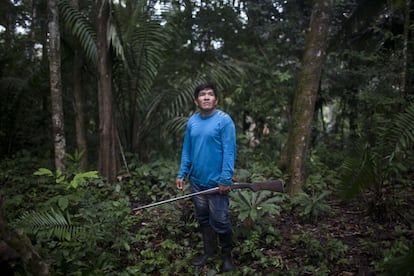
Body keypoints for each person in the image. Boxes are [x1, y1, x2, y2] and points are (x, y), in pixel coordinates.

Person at [176, 83, 236, 272]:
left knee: (221, 220)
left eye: (211, 94)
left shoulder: (224, 121)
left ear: (216, 100)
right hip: (196, 183)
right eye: (202, 95)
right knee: (203, 219)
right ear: (196, 101)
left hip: (217, 185)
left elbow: (229, 152)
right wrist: (182, 173)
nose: (207, 97)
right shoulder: (192, 121)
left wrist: (226, 179)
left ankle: (227, 257)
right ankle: (209, 253)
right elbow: (187, 150)